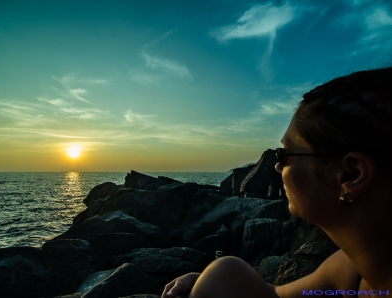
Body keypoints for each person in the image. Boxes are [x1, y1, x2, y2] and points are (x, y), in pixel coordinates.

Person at [161, 67, 392, 298]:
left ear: (351, 175)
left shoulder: (350, 274)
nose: (277, 166)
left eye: (286, 154)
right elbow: (274, 295)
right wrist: (205, 280)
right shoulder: (351, 271)